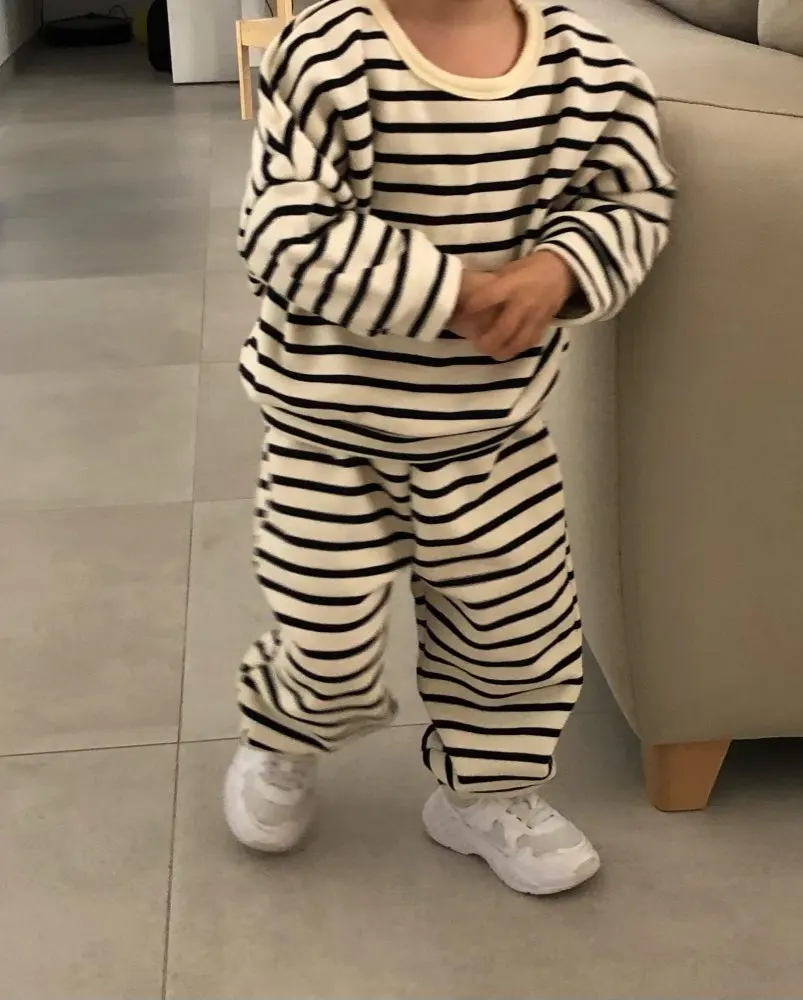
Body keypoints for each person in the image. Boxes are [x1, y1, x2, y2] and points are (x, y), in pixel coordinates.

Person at [223, 0, 675, 896]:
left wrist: (564, 267)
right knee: (325, 631)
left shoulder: (590, 70)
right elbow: (283, 230)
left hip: (492, 435)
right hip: (329, 432)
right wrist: (454, 295)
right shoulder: (328, 53)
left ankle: (483, 793)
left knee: (519, 632)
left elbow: (633, 202)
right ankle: (284, 737)